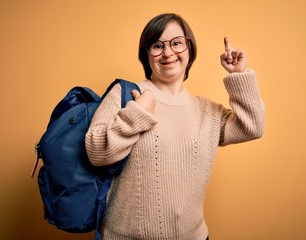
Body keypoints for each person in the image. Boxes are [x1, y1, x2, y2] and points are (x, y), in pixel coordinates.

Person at [85, 13, 265, 240]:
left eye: (177, 43)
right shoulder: (124, 93)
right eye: (157, 45)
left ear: (189, 49)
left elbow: (253, 127)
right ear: (146, 55)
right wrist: (136, 113)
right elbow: (96, 152)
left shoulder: (207, 111)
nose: (168, 52)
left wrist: (239, 75)